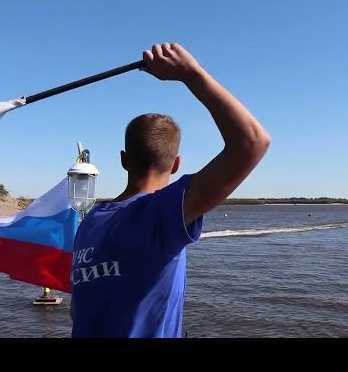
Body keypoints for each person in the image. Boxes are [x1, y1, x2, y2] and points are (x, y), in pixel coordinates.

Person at [70, 43, 270, 338]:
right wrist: (191, 73)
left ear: (124, 160)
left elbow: (77, 310)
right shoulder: (159, 215)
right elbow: (252, 141)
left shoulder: (89, 223)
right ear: (176, 164)